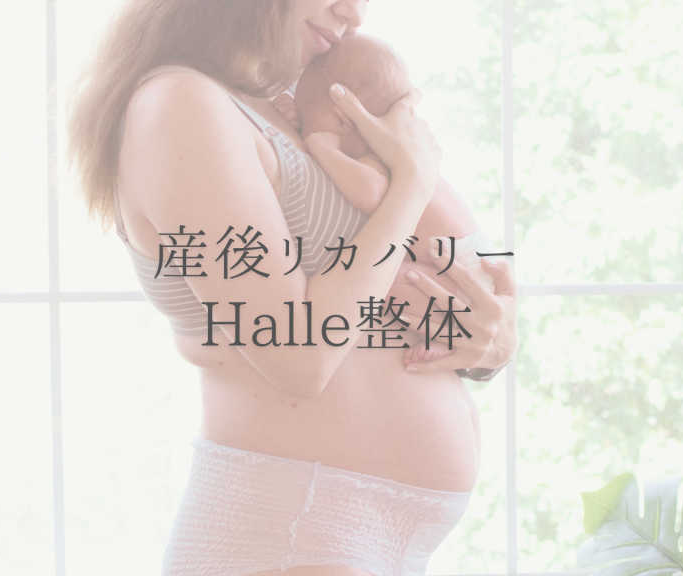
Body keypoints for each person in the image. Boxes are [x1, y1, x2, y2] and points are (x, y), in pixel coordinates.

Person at [67, 1, 518, 574]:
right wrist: (410, 183)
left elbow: (427, 270)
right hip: (288, 534)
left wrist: (488, 344)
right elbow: (298, 355)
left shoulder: (296, 108)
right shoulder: (179, 103)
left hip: (347, 540)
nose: (352, 12)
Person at [294, 32, 499, 364]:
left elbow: (370, 194)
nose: (305, 133)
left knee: (389, 277)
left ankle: (448, 339)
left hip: (464, 275)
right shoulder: (405, 152)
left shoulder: (382, 161)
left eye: (307, 124)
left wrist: (321, 147)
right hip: (465, 266)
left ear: (341, 119)